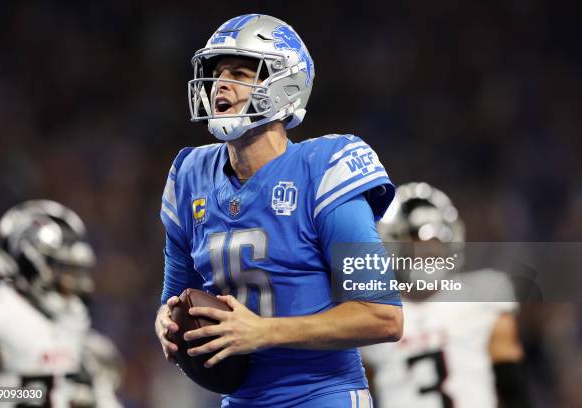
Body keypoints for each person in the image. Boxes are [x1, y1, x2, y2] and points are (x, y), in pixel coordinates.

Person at [155, 14, 403, 407]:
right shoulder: (190, 176)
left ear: (284, 83)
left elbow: (383, 317)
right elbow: (176, 297)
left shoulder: (325, 168)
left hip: (323, 396)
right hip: (239, 400)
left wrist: (265, 332)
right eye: (217, 73)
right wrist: (167, 323)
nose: (220, 83)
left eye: (239, 72)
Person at [361, 182, 531, 408]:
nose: (425, 251)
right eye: (414, 243)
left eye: (433, 242)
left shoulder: (484, 296)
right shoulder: (371, 316)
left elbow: (512, 387)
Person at [0, 200, 123, 408]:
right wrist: (28, 394)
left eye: (76, 271)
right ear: (29, 262)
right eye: (64, 270)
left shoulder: (73, 319)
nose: (74, 283)